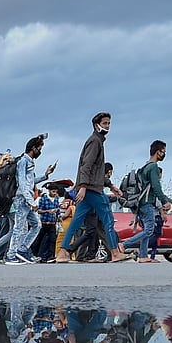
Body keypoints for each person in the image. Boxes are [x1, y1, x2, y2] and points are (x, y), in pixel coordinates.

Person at [56, 113, 130, 263]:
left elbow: (95, 171)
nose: (108, 126)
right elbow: (86, 166)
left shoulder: (96, 141)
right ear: (97, 125)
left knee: (76, 222)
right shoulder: (95, 142)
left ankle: (62, 253)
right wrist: (83, 186)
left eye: (109, 123)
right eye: (105, 123)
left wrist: (110, 185)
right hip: (92, 190)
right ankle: (115, 253)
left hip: (88, 188)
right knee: (108, 218)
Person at [121, 140, 172, 263]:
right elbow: (156, 186)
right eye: (163, 151)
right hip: (147, 203)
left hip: (140, 204)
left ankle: (143, 256)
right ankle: (124, 245)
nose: (164, 154)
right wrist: (164, 201)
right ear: (157, 152)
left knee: (146, 230)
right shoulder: (153, 167)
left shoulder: (145, 166)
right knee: (149, 230)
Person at [4, 137, 44, 265]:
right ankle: (11, 255)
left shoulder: (30, 162)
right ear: (33, 148)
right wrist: (31, 201)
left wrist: (46, 176)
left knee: (36, 224)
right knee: (19, 227)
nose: (40, 151)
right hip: (22, 199)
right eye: (39, 148)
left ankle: (21, 249)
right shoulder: (23, 162)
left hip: (26, 199)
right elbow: (22, 183)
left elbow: (31, 182)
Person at [30, 185, 62, 262]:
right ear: (49, 191)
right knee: (39, 240)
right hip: (44, 222)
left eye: (56, 192)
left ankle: (50, 256)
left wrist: (59, 217)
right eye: (53, 191)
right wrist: (48, 211)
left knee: (52, 240)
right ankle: (35, 254)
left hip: (52, 223)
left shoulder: (56, 200)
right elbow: (39, 210)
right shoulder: (43, 199)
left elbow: (57, 211)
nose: (54, 193)